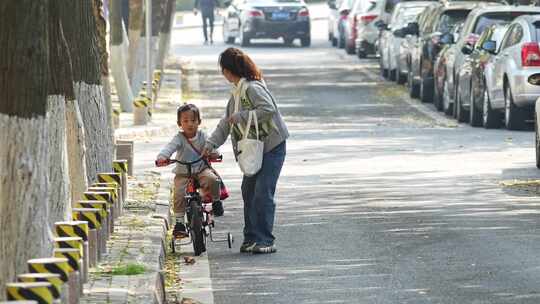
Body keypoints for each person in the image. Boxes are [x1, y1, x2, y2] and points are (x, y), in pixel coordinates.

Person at [203, 48, 289, 254]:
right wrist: (209, 145)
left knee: (262, 192)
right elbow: (226, 125)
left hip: (271, 146)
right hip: (254, 150)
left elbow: (269, 109)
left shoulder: (251, 88)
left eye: (222, 69)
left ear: (228, 70)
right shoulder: (237, 93)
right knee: (248, 191)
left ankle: (266, 240)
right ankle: (251, 237)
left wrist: (242, 116)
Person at [156, 104, 224, 238]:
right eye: (185, 121)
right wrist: (162, 157)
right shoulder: (179, 138)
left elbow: (212, 145)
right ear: (179, 123)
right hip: (183, 173)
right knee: (178, 194)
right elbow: (169, 147)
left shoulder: (203, 136)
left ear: (199, 122)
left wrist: (215, 153)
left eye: (193, 120)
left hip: (201, 170)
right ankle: (180, 223)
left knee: (213, 179)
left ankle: (216, 201)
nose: (190, 124)